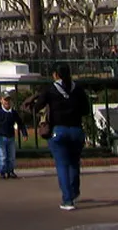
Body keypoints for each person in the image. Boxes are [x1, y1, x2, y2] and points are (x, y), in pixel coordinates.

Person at [27, 63, 90, 210]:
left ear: (55, 75)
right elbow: (86, 109)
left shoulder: (50, 90)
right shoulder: (77, 88)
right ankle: (74, 192)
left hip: (58, 130)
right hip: (76, 130)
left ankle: (67, 200)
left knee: (62, 165)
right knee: (74, 163)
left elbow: (37, 107)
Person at [0, 91, 28, 179]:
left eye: (8, 100)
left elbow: (20, 123)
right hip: (1, 137)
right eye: (5, 100)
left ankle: (10, 171)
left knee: (11, 156)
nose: (7, 102)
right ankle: (2, 172)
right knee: (2, 156)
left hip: (11, 137)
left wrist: (24, 133)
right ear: (1, 101)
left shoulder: (13, 113)